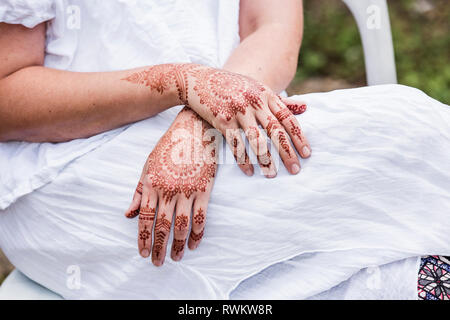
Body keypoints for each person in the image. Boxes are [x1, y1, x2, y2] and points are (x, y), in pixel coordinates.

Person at [0, 0, 449, 300]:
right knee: (410, 131)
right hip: (83, 165)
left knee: (388, 275)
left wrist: (203, 113)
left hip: (244, 121)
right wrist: (182, 83)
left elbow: (271, 25)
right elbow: (8, 97)